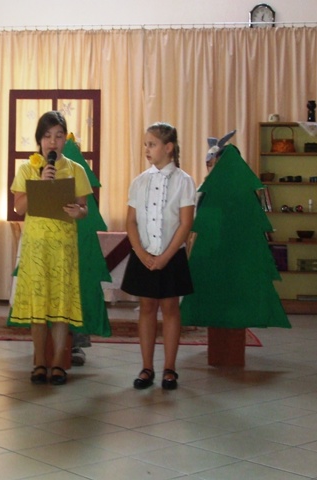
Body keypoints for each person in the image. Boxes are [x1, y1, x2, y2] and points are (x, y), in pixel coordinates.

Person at [9, 111, 92, 385]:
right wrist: (40, 185)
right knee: (38, 307)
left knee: (60, 306)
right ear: (39, 140)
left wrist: (78, 211)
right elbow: (19, 208)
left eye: (58, 136)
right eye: (47, 136)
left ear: (65, 139)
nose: (52, 142)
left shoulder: (75, 169)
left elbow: (84, 209)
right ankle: (39, 362)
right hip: (36, 247)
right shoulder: (27, 169)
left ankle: (58, 362)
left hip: (63, 248)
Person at [121, 122, 196, 390]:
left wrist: (165, 257)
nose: (147, 149)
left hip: (171, 255)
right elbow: (131, 222)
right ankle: (147, 367)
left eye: (151, 144)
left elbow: (185, 223)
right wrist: (141, 253)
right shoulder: (139, 181)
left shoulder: (184, 181)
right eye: (145, 144)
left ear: (168, 147)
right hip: (144, 254)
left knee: (170, 308)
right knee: (147, 308)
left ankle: (169, 368)